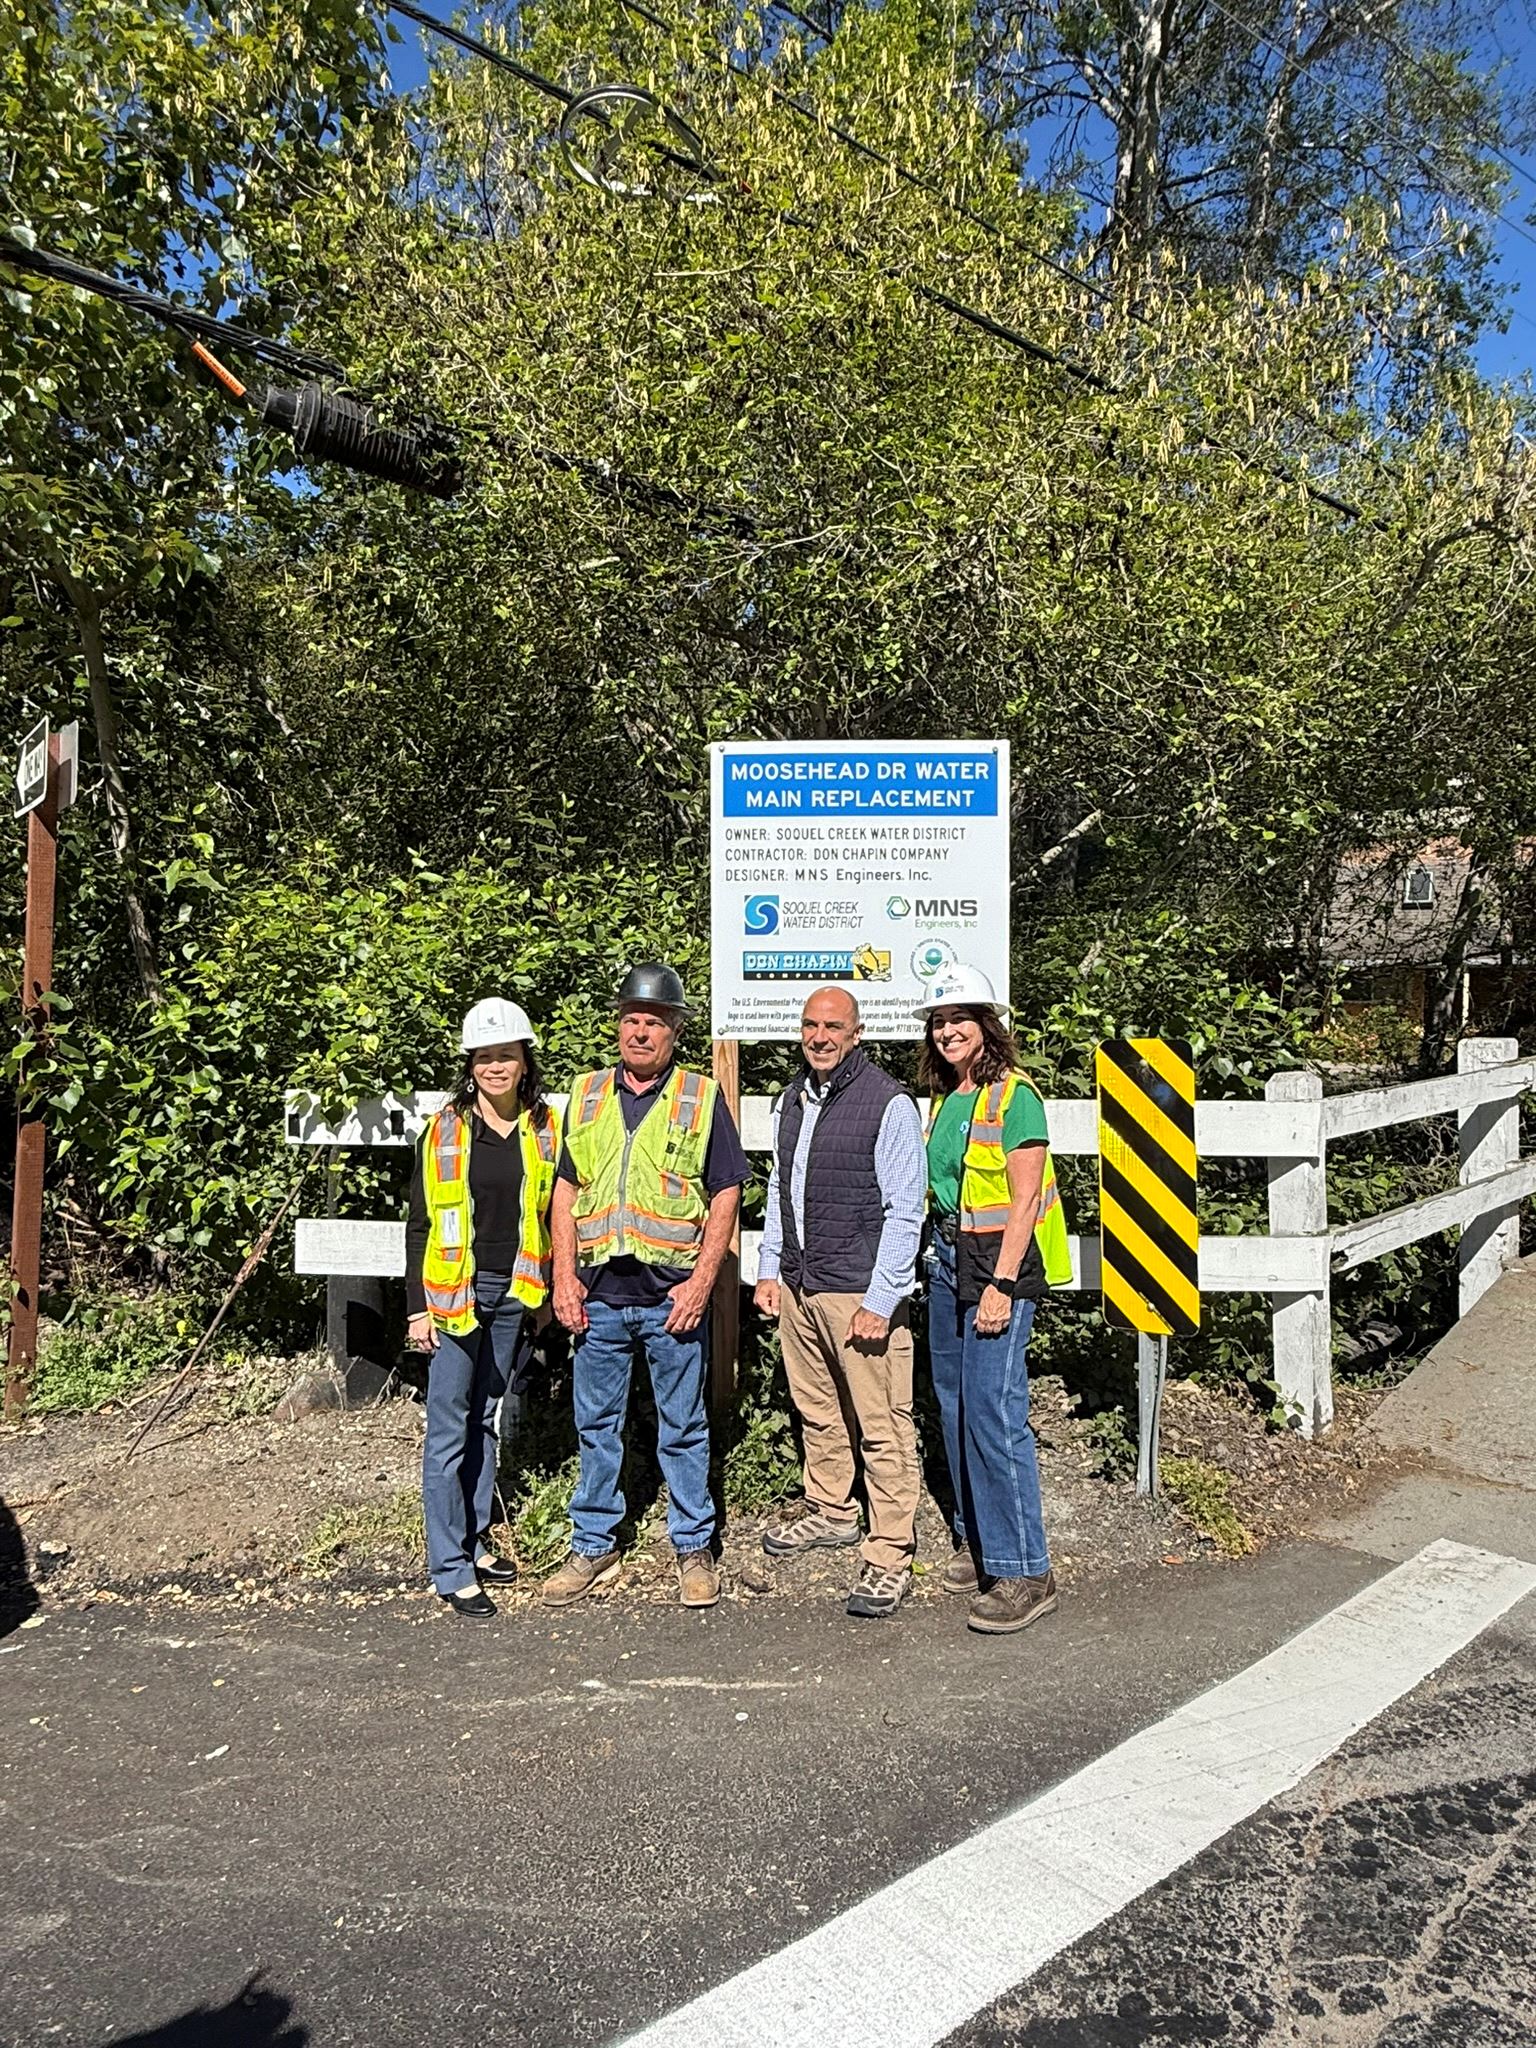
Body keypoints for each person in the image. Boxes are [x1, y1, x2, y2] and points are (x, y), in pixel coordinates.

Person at [544, 964, 748, 1610]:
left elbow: (727, 1193)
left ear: (675, 1031)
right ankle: (594, 1543)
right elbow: (565, 1193)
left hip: (670, 1301)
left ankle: (693, 1548)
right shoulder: (587, 1095)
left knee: (683, 1427)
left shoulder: (699, 1097)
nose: (639, 1031)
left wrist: (701, 1285)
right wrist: (563, 1276)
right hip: (599, 1298)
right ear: (618, 1025)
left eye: (653, 1022)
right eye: (631, 1019)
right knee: (596, 1425)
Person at [754, 987, 926, 1619]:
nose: (819, 1036)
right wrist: (770, 1268)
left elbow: (906, 1210)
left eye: (833, 1026)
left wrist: (882, 1300)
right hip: (802, 1285)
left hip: (859, 1292)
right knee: (817, 1411)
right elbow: (779, 1186)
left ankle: (889, 1552)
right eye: (809, 1025)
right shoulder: (791, 1099)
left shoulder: (889, 1103)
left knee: (882, 1426)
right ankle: (831, 1510)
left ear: (856, 1033)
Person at [918, 965, 1073, 1636]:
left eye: (960, 1017)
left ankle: (1025, 1570)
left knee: (992, 1409)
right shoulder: (947, 1099)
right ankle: (981, 1544)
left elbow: (1027, 1198)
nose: (948, 1030)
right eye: (938, 1020)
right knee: (953, 1404)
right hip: (949, 1260)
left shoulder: (1017, 1098)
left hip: (995, 1267)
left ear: (989, 1026)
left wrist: (1002, 1286)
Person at [406, 998, 561, 1620]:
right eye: (484, 1056)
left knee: (487, 1417)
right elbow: (419, 1224)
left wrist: (549, 1291)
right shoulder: (444, 1129)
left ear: (525, 1061)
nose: (495, 1066)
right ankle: (449, 1565)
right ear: (470, 1065)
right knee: (448, 1426)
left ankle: (473, 1539)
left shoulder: (547, 1126)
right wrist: (417, 1309)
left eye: (506, 1055)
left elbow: (556, 1214)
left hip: (515, 1290)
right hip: (453, 1298)